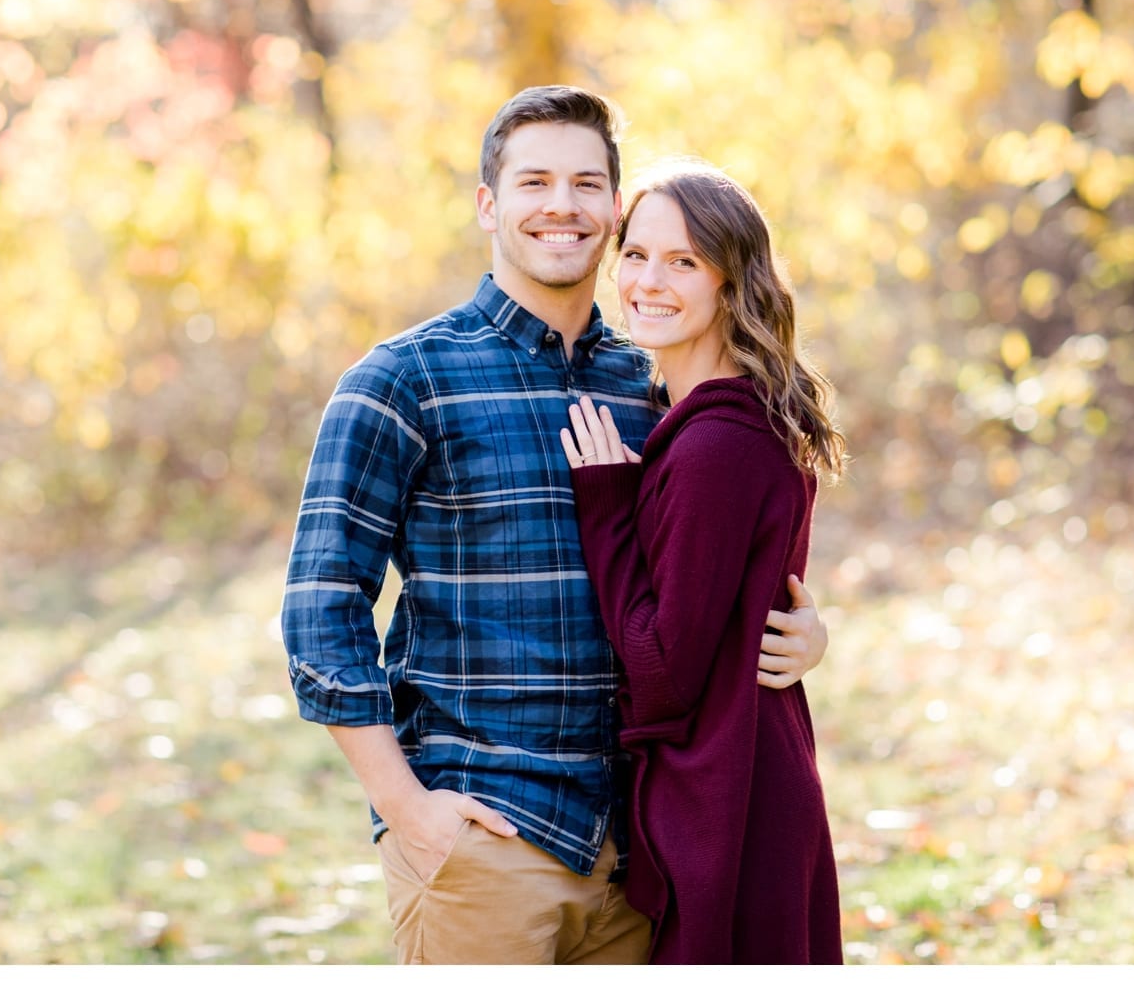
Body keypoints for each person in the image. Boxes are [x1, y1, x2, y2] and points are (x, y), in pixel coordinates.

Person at [280, 86, 829, 965]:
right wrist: (408, 813)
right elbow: (320, 612)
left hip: (643, 852)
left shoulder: (649, 384)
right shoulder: (403, 379)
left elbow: (702, 570)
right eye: (535, 181)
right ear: (490, 204)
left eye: (587, 184)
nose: (562, 206)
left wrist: (802, 630)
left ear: (614, 210)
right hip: (488, 839)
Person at [559, 159, 846, 964]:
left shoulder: (715, 447)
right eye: (636, 253)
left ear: (731, 282)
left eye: (683, 261)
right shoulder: (727, 418)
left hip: (734, 803)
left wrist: (608, 508)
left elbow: (663, 670)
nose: (648, 281)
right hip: (749, 773)